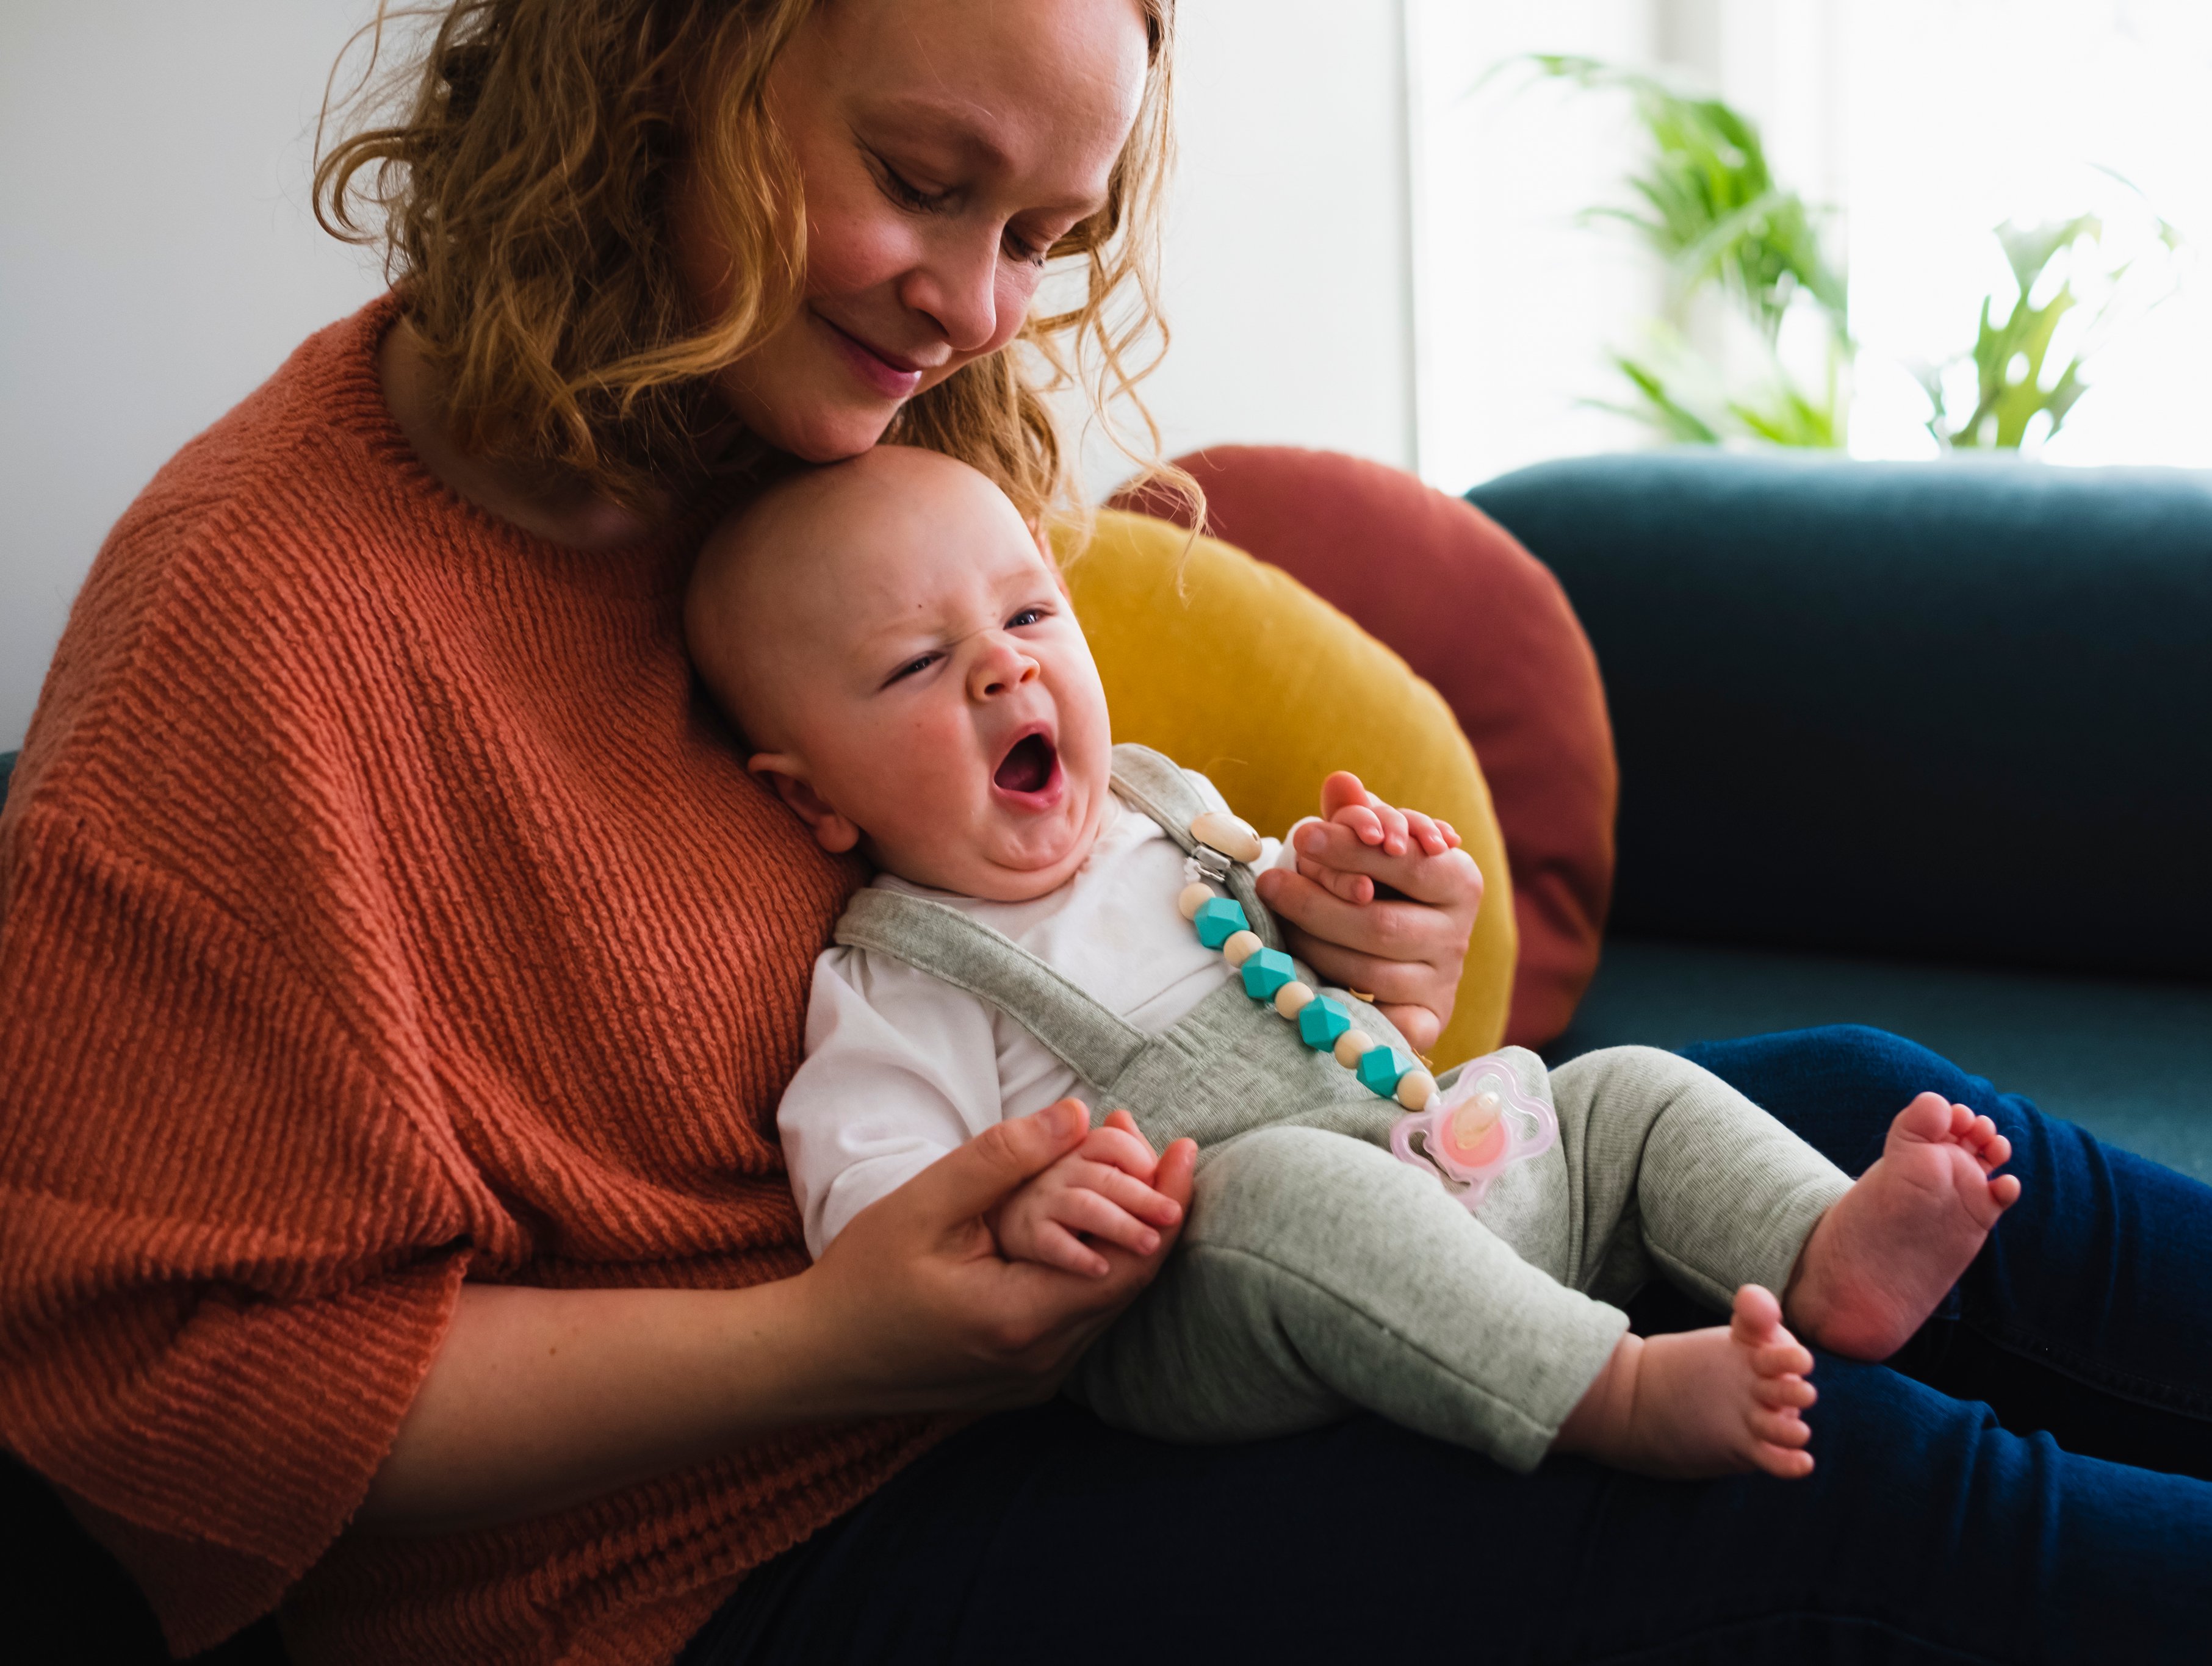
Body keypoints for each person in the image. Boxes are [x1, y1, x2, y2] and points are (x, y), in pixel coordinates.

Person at [0, 1, 2212, 1662]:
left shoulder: (797, 450)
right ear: (657, 61)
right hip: (734, 1559)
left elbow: (1077, 928)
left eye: (1042, 236)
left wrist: (1340, 975)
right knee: (1787, 1477)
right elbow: (182, 1410)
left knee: (1833, 1098)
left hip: (1105, 1325)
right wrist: (828, 1333)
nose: (981, 311)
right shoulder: (252, 639)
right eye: (923, 183)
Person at [684, 442, 2037, 1482]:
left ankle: (1820, 1246)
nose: (1001, 671)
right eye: (920, 663)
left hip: (1438, 1168)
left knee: (1619, 1089)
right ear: (813, 801)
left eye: (1031, 616)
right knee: (1283, 1183)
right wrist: (1018, 1221)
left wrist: (1339, 885)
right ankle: (1610, 1392)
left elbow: (1293, 944)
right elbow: (873, 1226)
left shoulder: (1159, 803)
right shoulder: (898, 977)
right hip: (1215, 1305)